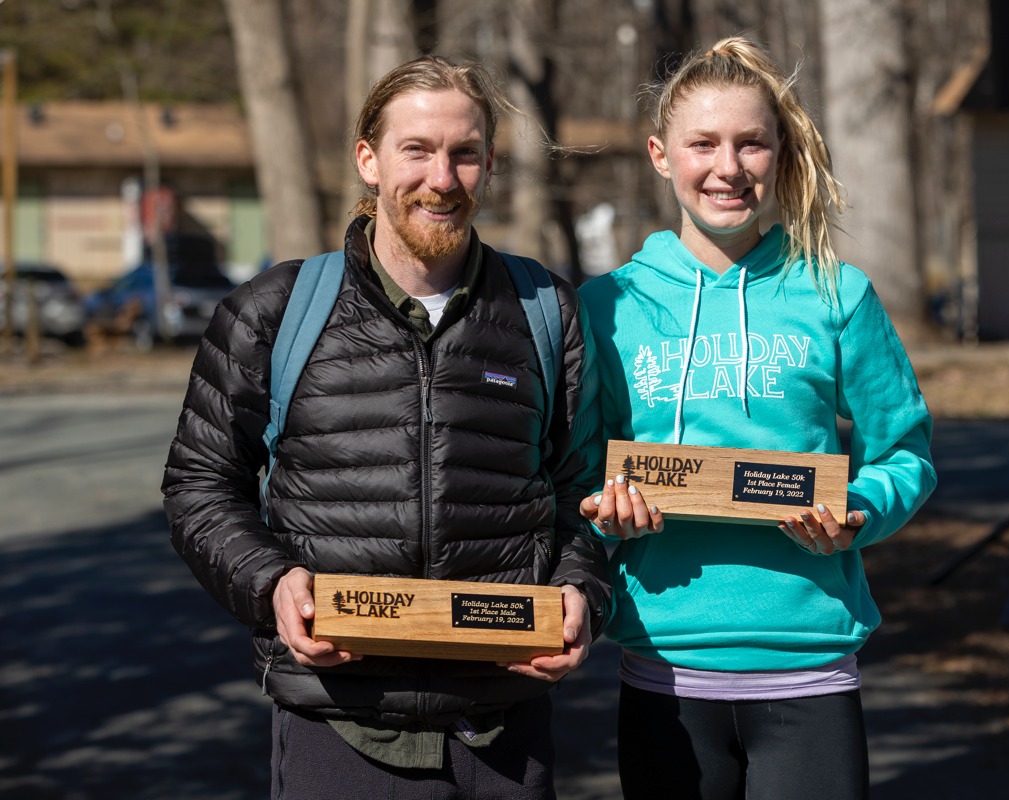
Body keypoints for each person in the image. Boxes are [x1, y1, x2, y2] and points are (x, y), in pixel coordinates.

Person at [162, 55, 609, 798]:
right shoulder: (273, 313)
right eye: (417, 151)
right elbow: (199, 485)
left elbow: (583, 490)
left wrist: (581, 597)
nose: (442, 178)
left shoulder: (545, 311)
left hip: (503, 728)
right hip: (337, 724)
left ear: (490, 163)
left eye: (464, 154)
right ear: (368, 160)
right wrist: (271, 584)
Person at [578, 37, 937, 800]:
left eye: (751, 143)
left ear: (780, 153)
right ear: (659, 155)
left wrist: (859, 512)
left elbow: (905, 451)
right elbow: (576, 467)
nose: (728, 167)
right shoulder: (609, 305)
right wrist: (606, 515)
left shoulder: (837, 293)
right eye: (702, 143)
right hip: (665, 664)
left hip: (809, 667)